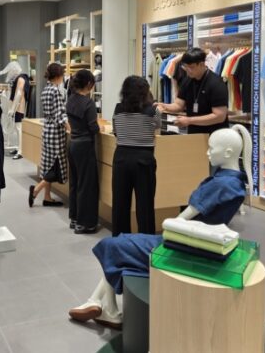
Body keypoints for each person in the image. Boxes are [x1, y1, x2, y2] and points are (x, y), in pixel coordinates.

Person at [69, 125, 252, 330]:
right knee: (120, 246)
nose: (207, 152)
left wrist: (167, 230)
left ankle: (105, 307)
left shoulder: (220, 185)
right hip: (202, 244)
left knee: (113, 244)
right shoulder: (235, 182)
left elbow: (180, 221)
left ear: (227, 152)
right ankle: (100, 304)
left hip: (185, 246)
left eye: (211, 148)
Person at [111, 76, 161, 236]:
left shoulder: (118, 109)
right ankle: (145, 242)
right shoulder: (153, 110)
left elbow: (116, 132)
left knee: (120, 203)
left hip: (121, 158)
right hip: (144, 159)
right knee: (145, 205)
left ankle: (120, 240)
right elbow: (157, 129)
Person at [155, 47, 229, 135]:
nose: (188, 70)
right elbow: (178, 105)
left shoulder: (216, 83)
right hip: (194, 134)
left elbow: (219, 116)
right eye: (185, 67)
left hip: (215, 135)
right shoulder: (187, 81)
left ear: (202, 64)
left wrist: (189, 120)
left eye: (191, 67)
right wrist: (164, 106)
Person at [29, 62, 67, 208]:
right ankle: (35, 190)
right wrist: (70, 128)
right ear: (58, 76)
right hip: (55, 134)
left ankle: (47, 197)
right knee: (55, 167)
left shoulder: (46, 90)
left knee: (48, 164)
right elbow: (60, 115)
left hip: (47, 131)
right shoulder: (55, 91)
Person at [67, 70, 100, 234]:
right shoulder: (88, 103)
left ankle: (74, 218)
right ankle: (85, 223)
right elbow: (93, 127)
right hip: (85, 146)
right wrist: (99, 128)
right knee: (86, 185)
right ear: (88, 84)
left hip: (72, 143)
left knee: (75, 183)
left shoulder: (71, 99)